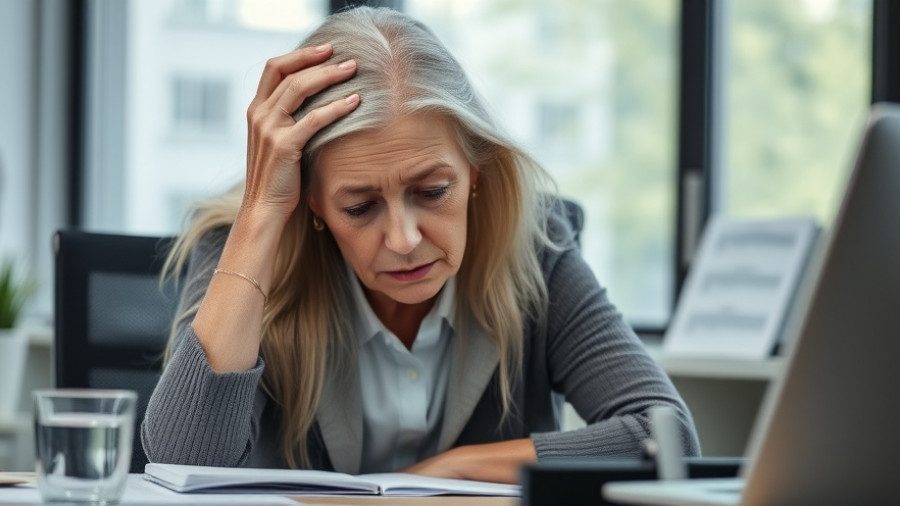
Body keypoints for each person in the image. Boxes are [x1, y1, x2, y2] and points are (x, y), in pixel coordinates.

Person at [141, 6, 700, 484]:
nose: (404, 240)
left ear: (476, 172)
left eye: (432, 192)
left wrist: (449, 469)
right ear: (312, 203)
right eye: (359, 207)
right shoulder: (247, 248)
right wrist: (261, 213)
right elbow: (183, 463)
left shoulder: (537, 248)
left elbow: (666, 436)